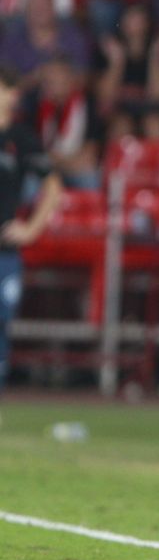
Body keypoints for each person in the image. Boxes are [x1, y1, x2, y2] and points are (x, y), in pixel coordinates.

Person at [0, 65, 63, 413]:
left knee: (1, 323)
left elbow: (52, 186)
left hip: (4, 250)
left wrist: (32, 228)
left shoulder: (20, 139)